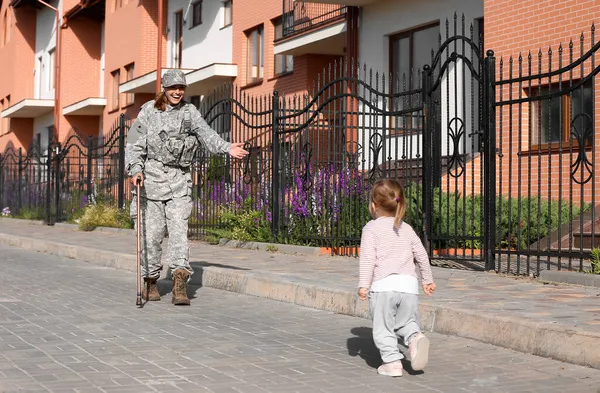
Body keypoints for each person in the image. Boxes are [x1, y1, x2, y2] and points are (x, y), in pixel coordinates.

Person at [125, 69, 248, 306]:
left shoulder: (190, 113)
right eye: (173, 88)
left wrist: (226, 147)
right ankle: (150, 280)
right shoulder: (148, 112)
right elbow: (134, 145)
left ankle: (179, 283)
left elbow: (206, 134)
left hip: (180, 181)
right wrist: (135, 170)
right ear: (165, 89)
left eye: (181, 88)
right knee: (152, 236)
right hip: (151, 181)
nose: (177, 92)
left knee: (179, 233)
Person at [357, 179, 436, 377]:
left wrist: (363, 285)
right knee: (407, 322)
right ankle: (415, 338)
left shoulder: (371, 229)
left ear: (374, 206)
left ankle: (392, 362)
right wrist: (427, 279)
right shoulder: (407, 228)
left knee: (383, 326)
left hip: (384, 286)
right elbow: (421, 255)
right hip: (408, 286)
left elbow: (368, 259)